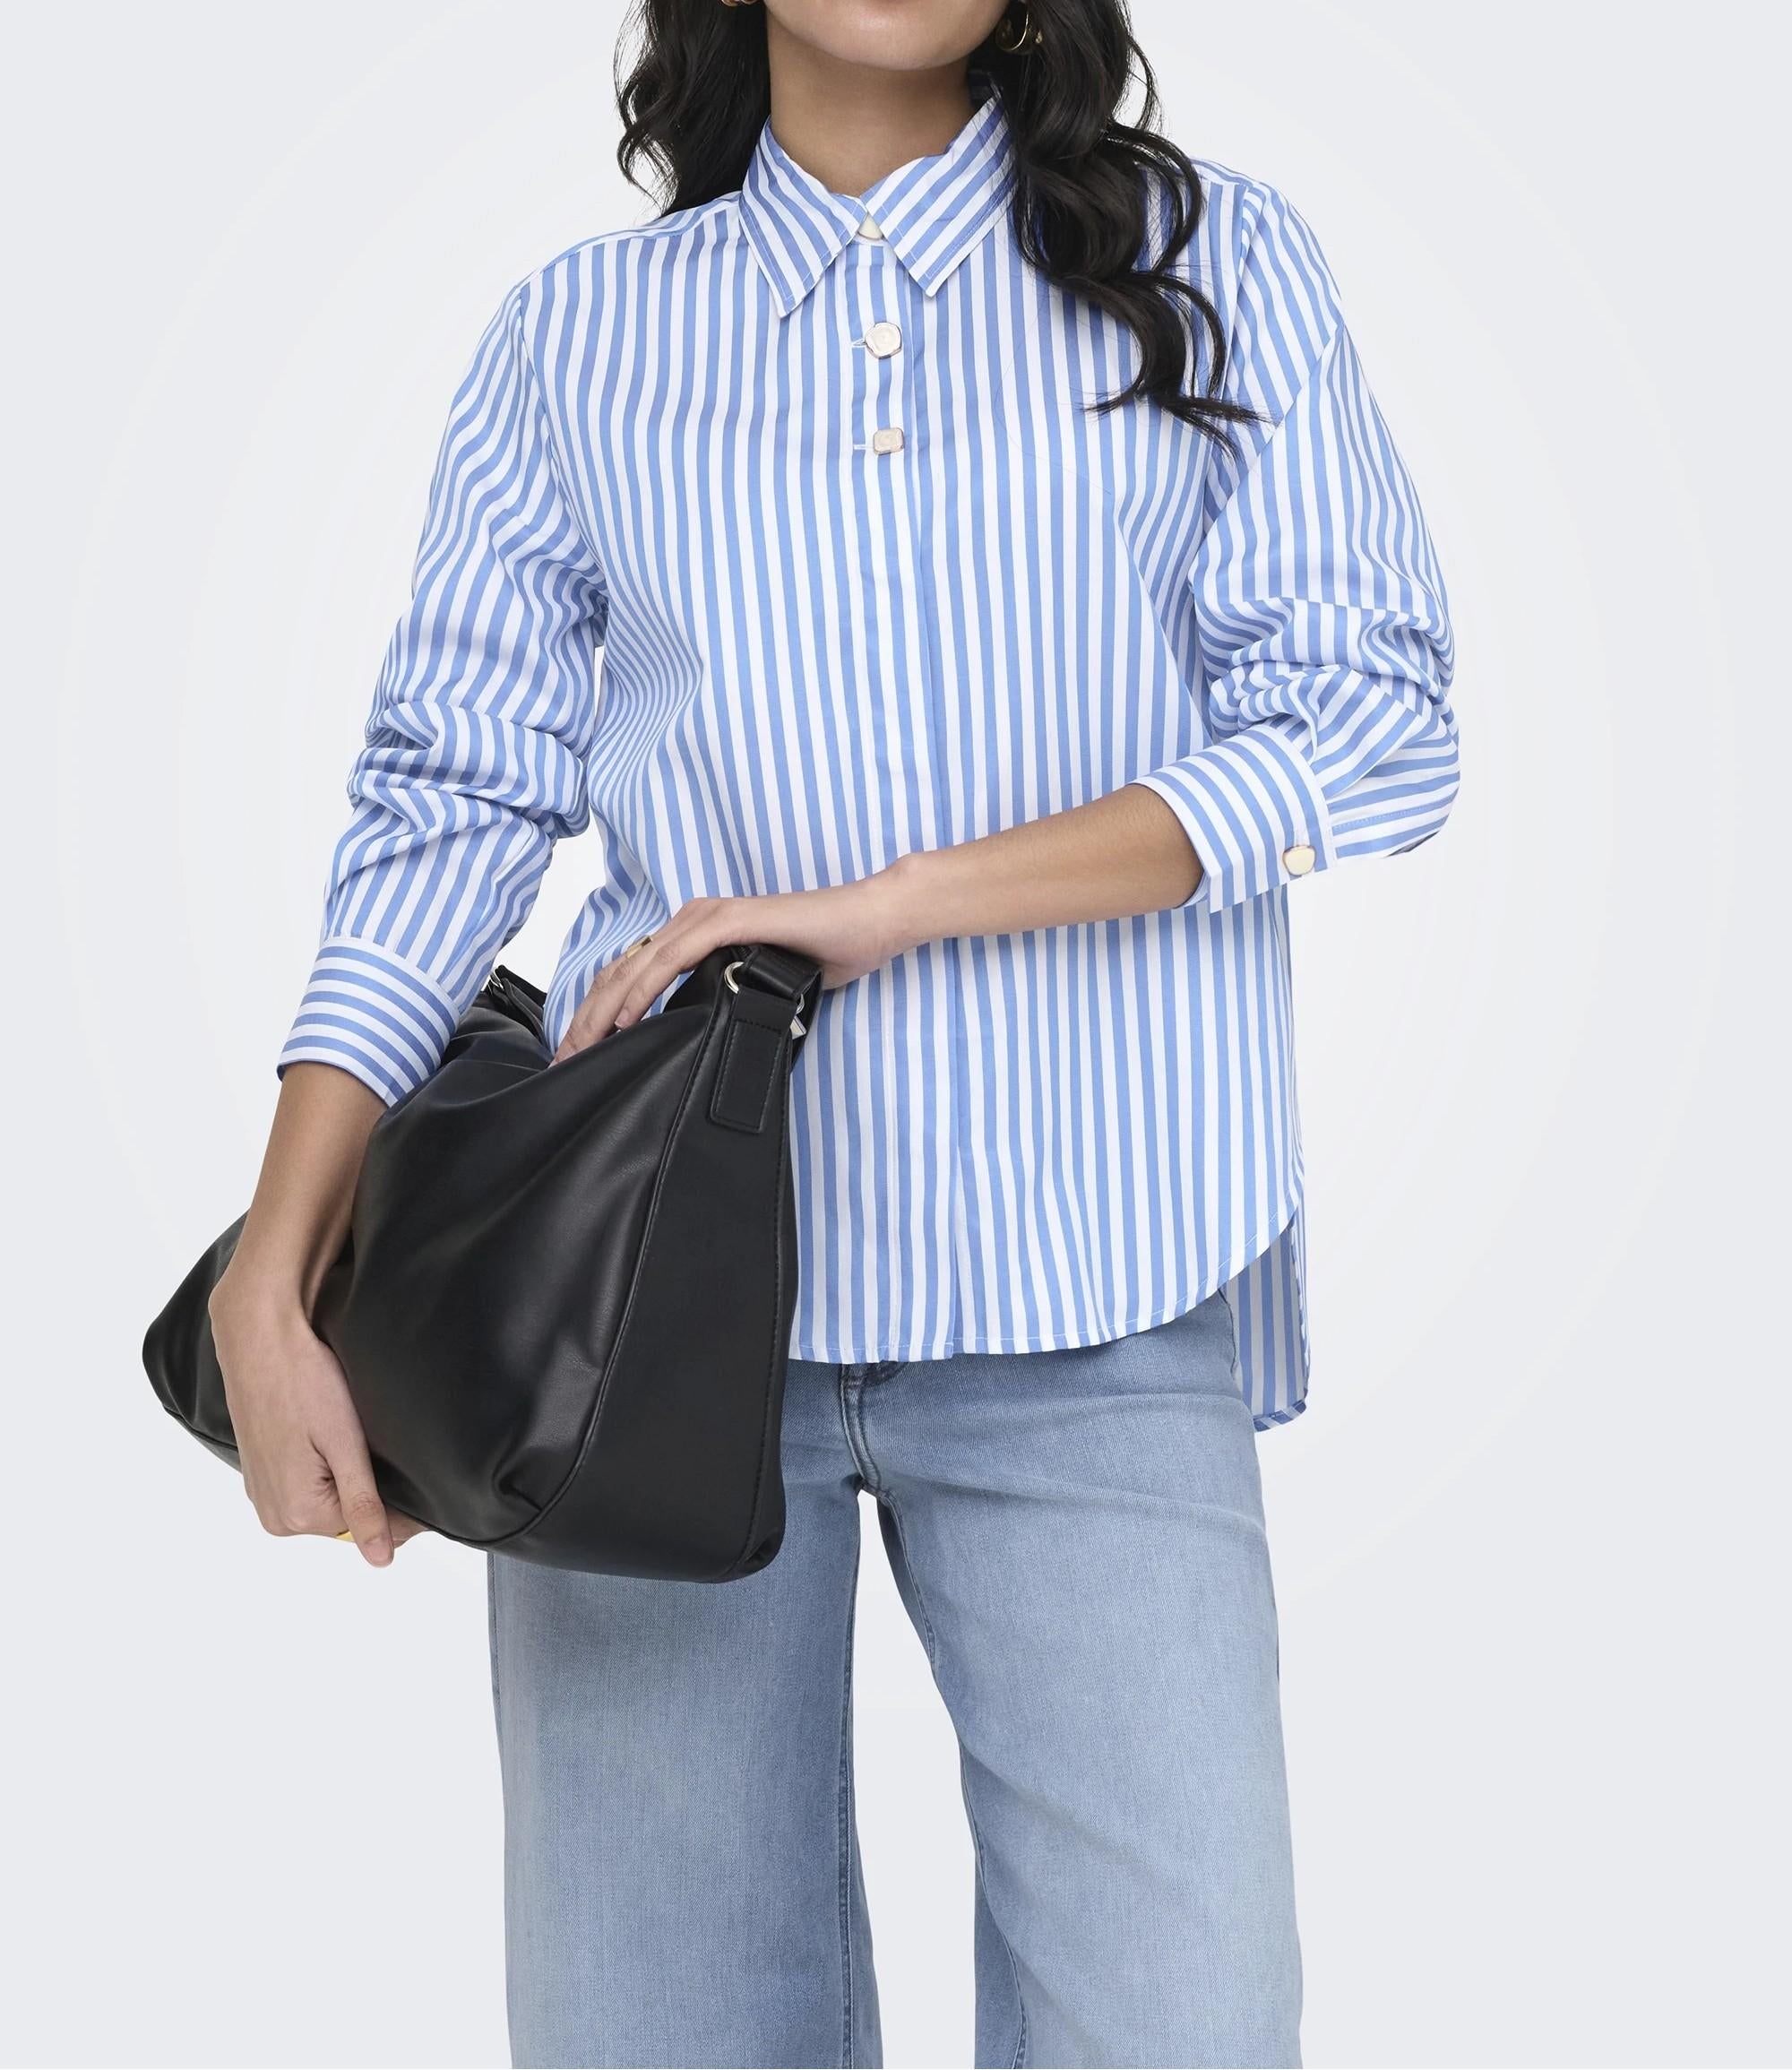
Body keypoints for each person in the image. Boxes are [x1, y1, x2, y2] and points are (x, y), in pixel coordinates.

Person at [207, 1, 1459, 2063]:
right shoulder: (579, 341)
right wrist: (274, 1267)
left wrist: (889, 903)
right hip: (634, 1333)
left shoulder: (1212, 264)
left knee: (1185, 2022)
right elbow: (444, 806)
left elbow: (1373, 727)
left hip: (1101, 1290)